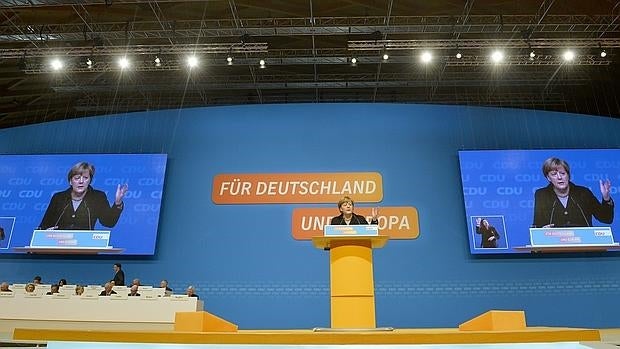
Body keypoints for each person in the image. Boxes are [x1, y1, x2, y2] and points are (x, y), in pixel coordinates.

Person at [37, 162, 128, 230]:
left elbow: (109, 222)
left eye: (85, 178)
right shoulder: (59, 198)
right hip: (58, 246)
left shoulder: (98, 197)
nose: (81, 181)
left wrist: (117, 203)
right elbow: (45, 225)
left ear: (90, 181)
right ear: (70, 181)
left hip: (85, 247)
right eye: (77, 178)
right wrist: (46, 232)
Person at [533, 157, 614, 228]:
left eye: (562, 173)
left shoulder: (583, 193)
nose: (559, 177)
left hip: (583, 242)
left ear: (568, 175)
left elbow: (606, 218)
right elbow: (537, 225)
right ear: (548, 178)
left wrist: (606, 198)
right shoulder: (542, 195)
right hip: (555, 242)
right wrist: (542, 230)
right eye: (554, 174)